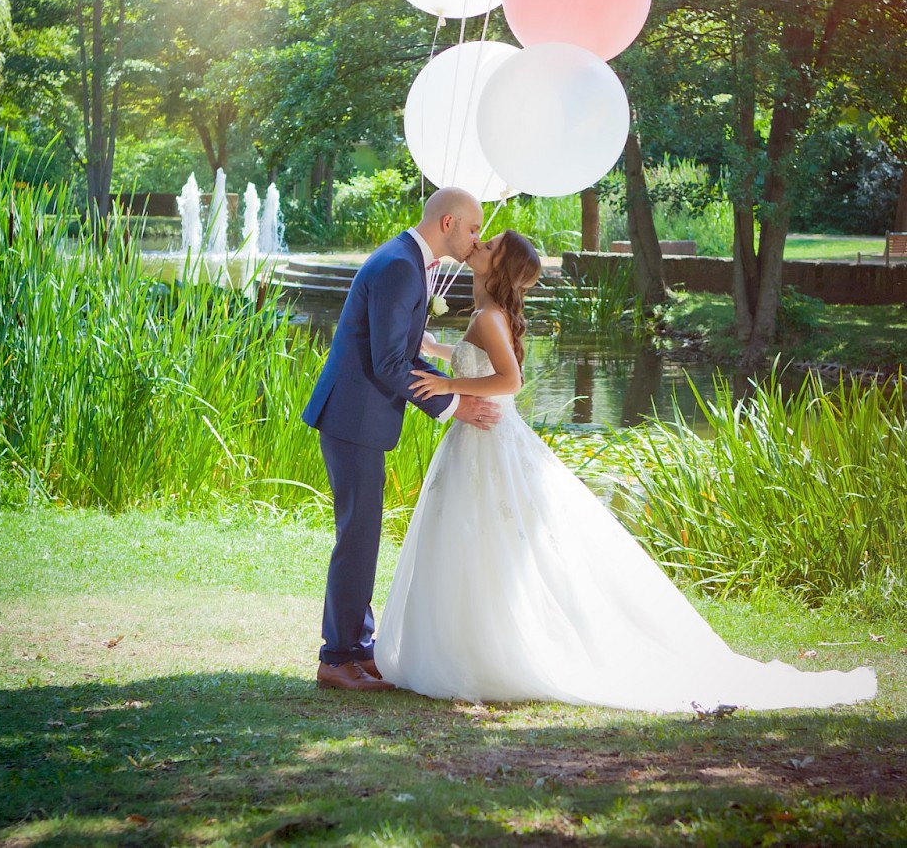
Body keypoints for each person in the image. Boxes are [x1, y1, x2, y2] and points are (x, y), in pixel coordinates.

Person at [375, 229, 877, 712]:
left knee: (487, 538)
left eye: (490, 245)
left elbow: (510, 380)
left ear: (499, 266)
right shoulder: (487, 314)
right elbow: (477, 362)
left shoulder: (489, 316)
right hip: (480, 439)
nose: (478, 245)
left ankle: (490, 650)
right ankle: (476, 643)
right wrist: (436, 352)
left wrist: (449, 389)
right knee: (481, 540)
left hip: (486, 438)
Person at [302, 186, 503, 692]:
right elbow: (390, 363)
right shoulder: (398, 266)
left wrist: (447, 388)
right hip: (352, 418)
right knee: (358, 535)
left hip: (358, 417)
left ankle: (358, 647)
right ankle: (338, 657)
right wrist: (454, 405)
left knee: (363, 533)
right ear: (447, 223)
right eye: (474, 228)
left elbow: (401, 351)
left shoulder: (406, 262)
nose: (476, 238)